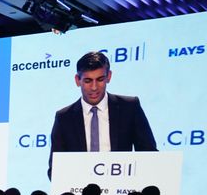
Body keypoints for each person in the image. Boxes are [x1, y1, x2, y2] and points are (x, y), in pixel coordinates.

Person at [47, 51, 156, 179]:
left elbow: (149, 156)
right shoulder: (64, 117)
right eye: (88, 81)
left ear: (108, 77)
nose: (94, 87)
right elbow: (55, 169)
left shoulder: (130, 107)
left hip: (122, 193)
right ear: (77, 80)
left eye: (100, 79)